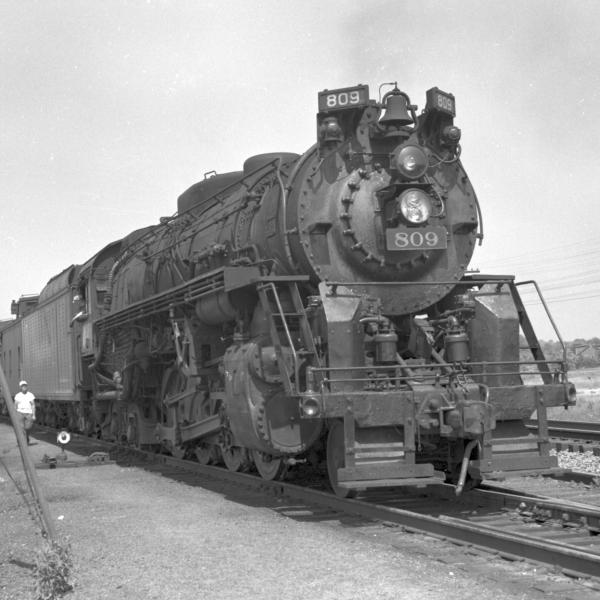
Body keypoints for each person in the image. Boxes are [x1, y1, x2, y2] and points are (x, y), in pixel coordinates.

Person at [14, 380, 36, 445]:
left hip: (29, 413)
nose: (24, 387)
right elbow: (15, 405)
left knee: (28, 427)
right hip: (20, 413)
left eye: (25, 386)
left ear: (27, 386)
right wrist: (15, 414)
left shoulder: (30, 395)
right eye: (22, 386)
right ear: (20, 387)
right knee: (21, 428)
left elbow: (33, 405)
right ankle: (22, 441)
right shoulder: (18, 395)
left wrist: (34, 415)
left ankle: (27, 437)